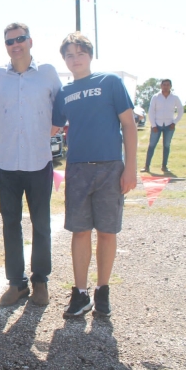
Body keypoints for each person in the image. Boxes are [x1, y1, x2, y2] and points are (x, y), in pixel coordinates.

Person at [52, 32, 137, 318]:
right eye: (69, 55)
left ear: (90, 55)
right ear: (64, 60)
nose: (75, 59)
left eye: (80, 53)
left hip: (110, 167)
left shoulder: (110, 82)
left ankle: (103, 290)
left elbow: (129, 125)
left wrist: (131, 167)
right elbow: (51, 128)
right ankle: (80, 293)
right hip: (76, 169)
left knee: (107, 231)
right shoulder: (64, 93)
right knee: (80, 231)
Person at [0, 22, 62, 307]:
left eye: (20, 39)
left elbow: (61, 105)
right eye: (9, 41)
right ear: (5, 46)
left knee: (41, 224)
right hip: (6, 162)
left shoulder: (48, 73)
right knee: (10, 225)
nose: (15, 44)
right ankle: (17, 284)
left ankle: (40, 281)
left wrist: (54, 126)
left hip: (38, 160)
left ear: (30, 41)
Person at [141, 79, 183, 173]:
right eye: (164, 85)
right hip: (157, 125)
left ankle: (164, 166)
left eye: (168, 85)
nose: (166, 86)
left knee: (167, 145)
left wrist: (175, 122)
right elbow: (151, 111)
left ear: (170, 86)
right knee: (152, 145)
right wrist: (153, 125)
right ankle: (146, 166)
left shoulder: (175, 97)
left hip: (169, 125)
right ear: (161, 86)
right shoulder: (156, 97)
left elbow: (181, 110)